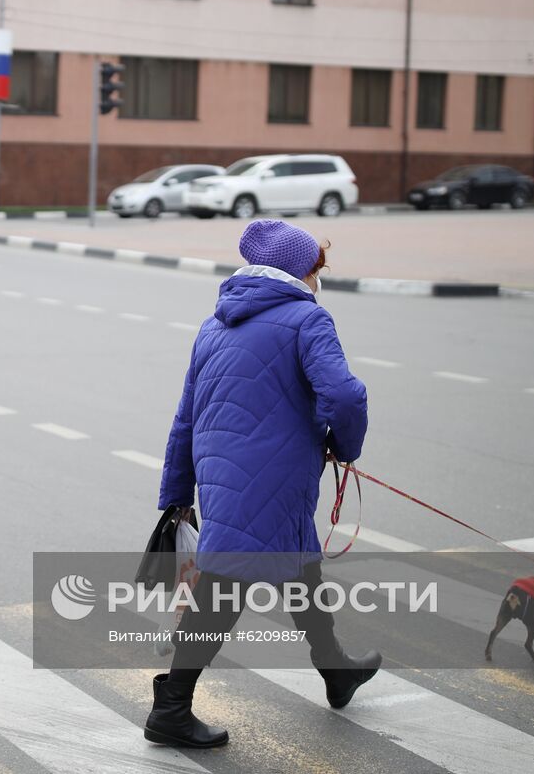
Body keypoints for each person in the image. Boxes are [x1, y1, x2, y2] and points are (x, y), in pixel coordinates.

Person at [145, 219, 380, 750]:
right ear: (300, 272)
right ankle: (171, 708)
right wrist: (344, 447)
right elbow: (344, 397)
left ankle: (335, 668)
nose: (319, 281)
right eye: (318, 271)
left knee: (300, 564)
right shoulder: (306, 320)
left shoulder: (213, 326)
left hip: (224, 478)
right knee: (225, 589)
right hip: (273, 478)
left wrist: (178, 492)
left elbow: (186, 417)